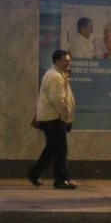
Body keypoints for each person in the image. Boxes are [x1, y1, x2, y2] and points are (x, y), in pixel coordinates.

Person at [28, 49, 77, 190]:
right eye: (65, 60)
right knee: (60, 149)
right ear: (57, 61)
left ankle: (34, 173)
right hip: (54, 118)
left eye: (69, 60)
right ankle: (61, 180)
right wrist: (64, 115)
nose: (68, 63)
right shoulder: (55, 76)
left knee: (52, 149)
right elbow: (57, 99)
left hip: (51, 118)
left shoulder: (56, 74)